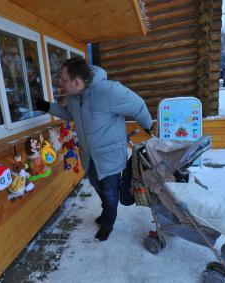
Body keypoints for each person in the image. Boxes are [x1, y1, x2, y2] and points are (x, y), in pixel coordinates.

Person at [35, 58, 153, 241]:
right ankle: (107, 211)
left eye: (64, 80)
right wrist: (48, 107)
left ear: (77, 82)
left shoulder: (109, 91)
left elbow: (138, 105)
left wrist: (147, 125)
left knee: (110, 193)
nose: (62, 84)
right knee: (99, 189)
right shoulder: (73, 97)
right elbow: (69, 115)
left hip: (110, 157)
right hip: (88, 157)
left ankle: (108, 224)